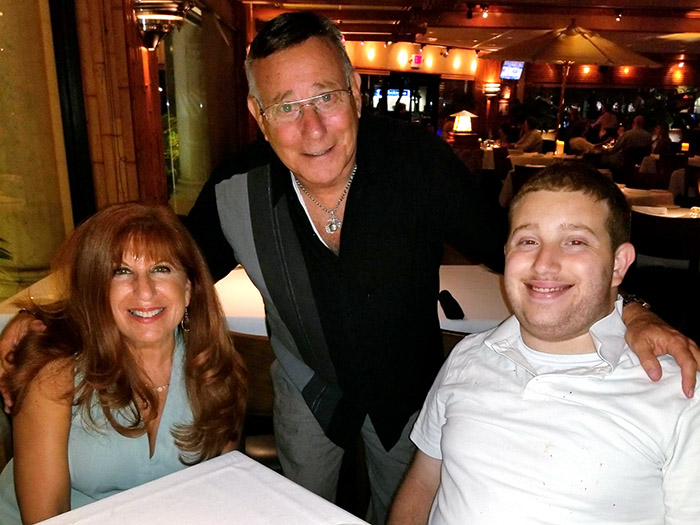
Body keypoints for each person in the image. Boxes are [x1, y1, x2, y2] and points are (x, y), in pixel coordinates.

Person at [2, 11, 698, 525]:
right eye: (286, 107)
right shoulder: (236, 190)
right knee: (295, 509)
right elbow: (158, 271)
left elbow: (518, 249)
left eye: (326, 97)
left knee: (402, 507)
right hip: (307, 390)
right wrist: (49, 321)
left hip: (409, 393)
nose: (312, 128)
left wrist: (632, 309)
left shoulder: (418, 164)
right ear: (258, 114)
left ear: (355, 90)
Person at [389, 164, 700, 524]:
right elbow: (424, 483)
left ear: (618, 265)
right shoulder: (468, 356)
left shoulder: (679, 392)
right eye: (528, 241)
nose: (544, 264)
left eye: (575, 242)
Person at [0, 203, 247, 524]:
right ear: (96, 290)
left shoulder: (214, 370)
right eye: (121, 271)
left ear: (188, 289)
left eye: (161, 269)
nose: (144, 291)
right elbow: (47, 517)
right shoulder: (54, 373)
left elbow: (224, 486)